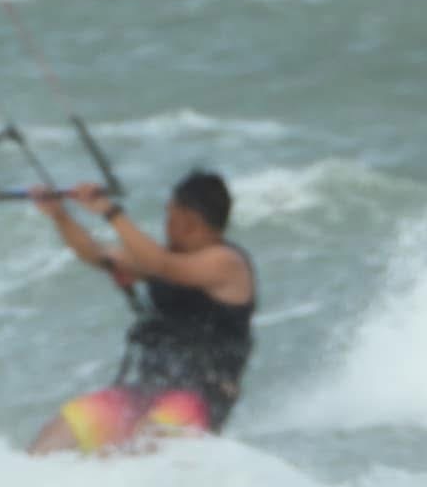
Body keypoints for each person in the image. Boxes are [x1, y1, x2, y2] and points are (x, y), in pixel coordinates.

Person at [26, 171, 256, 455]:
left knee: (142, 448)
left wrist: (109, 211)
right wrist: (60, 215)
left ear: (190, 219)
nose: (166, 222)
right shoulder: (167, 258)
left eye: (170, 214)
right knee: (53, 439)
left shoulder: (226, 262)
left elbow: (162, 265)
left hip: (200, 397)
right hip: (146, 390)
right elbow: (99, 254)